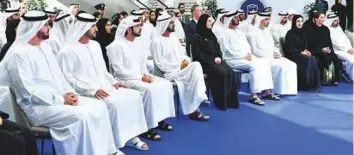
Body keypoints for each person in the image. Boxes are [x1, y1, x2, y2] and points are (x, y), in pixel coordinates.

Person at [3, 10, 119, 155]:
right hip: (36, 107)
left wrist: (69, 92)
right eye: (46, 25)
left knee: (99, 106)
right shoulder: (19, 53)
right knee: (81, 116)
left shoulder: (44, 47)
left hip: (58, 99)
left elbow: (59, 77)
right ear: (35, 27)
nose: (49, 27)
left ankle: (106, 151)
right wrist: (61, 99)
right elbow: (27, 91)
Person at [57, 13, 149, 153]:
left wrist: (114, 82)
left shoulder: (95, 45)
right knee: (112, 104)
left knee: (133, 96)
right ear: (83, 27)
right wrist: (92, 91)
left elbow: (103, 71)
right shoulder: (67, 51)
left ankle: (130, 137)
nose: (96, 29)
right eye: (93, 26)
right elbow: (67, 79)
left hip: (105, 86)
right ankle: (112, 145)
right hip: (86, 92)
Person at [106, 16, 175, 141]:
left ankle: (158, 119)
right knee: (147, 91)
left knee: (165, 84)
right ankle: (146, 128)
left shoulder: (138, 43)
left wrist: (146, 74)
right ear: (128, 30)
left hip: (140, 77)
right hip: (125, 80)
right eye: (137, 26)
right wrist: (140, 77)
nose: (141, 28)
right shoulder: (115, 46)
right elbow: (119, 71)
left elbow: (142, 63)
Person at [151, 12, 210, 120]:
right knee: (195, 71)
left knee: (195, 66)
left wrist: (185, 62)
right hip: (168, 73)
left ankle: (196, 104)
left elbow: (183, 55)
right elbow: (160, 64)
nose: (174, 25)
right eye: (171, 23)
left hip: (180, 70)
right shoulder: (156, 42)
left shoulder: (174, 38)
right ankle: (198, 101)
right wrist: (179, 66)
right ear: (164, 24)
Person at [220, 12, 276, 105]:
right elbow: (228, 50)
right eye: (234, 18)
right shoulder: (224, 34)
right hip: (232, 60)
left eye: (237, 18)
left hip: (245, 58)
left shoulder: (239, 32)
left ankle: (266, 92)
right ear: (229, 20)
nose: (237, 19)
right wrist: (243, 57)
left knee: (264, 63)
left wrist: (249, 54)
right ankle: (253, 96)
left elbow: (247, 46)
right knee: (254, 67)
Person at [192, 14, 238, 110]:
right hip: (204, 63)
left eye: (211, 21)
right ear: (203, 22)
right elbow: (198, 55)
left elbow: (218, 49)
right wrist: (212, 60)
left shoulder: (211, 35)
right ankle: (220, 102)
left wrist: (219, 57)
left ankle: (230, 102)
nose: (211, 23)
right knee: (222, 72)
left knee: (231, 72)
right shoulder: (196, 37)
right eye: (208, 21)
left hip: (216, 61)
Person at [249, 12, 298, 96]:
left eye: (269, 19)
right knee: (280, 66)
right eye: (266, 19)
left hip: (272, 56)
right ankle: (276, 90)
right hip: (261, 58)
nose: (268, 21)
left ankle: (288, 90)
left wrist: (277, 53)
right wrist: (269, 55)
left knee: (291, 64)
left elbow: (273, 46)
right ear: (260, 20)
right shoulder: (253, 33)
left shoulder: (267, 32)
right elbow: (254, 50)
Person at [285, 15, 321, 91]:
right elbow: (290, 48)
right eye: (298, 21)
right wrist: (301, 52)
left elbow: (305, 45)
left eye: (301, 21)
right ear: (294, 22)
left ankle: (313, 85)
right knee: (307, 59)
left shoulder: (303, 32)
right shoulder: (290, 33)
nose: (300, 23)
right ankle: (305, 85)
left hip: (302, 53)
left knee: (313, 58)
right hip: (293, 54)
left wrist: (306, 50)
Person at [306, 11, 341, 85]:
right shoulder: (310, 29)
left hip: (326, 49)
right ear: (316, 19)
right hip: (315, 50)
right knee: (323, 57)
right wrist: (321, 49)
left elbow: (329, 42)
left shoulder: (326, 29)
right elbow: (310, 44)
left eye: (324, 17)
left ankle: (334, 79)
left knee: (335, 58)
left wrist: (329, 49)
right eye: (321, 17)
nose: (323, 19)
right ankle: (323, 79)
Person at [324, 13, 354, 81]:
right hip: (337, 50)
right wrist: (347, 49)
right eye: (335, 21)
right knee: (351, 59)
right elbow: (335, 43)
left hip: (347, 49)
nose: (337, 22)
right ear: (330, 21)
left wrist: (350, 48)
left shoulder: (338, 27)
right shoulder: (328, 30)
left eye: (337, 20)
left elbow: (346, 39)